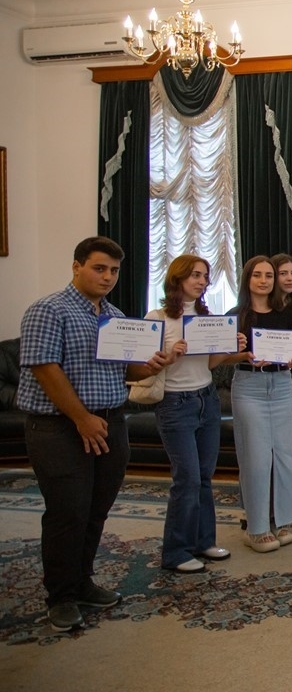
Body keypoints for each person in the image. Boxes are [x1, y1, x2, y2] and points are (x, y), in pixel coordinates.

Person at [18, 236, 169, 631]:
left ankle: (82, 582)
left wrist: (151, 364)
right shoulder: (48, 310)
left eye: (114, 271)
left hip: (110, 422)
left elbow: (125, 369)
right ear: (77, 266)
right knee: (68, 512)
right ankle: (61, 597)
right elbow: (45, 368)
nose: (107, 277)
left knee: (95, 510)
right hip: (59, 427)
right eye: (99, 268)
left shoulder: (114, 316)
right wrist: (82, 418)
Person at [147, 255, 241, 573]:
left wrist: (229, 348)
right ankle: (175, 552)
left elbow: (210, 365)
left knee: (203, 477)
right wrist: (171, 354)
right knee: (186, 478)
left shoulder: (205, 318)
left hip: (206, 399)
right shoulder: (157, 318)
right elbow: (145, 366)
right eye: (195, 275)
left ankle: (203, 541)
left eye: (205, 276)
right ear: (178, 278)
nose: (202, 281)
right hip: (175, 403)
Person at [229, 256, 292, 553]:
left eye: (269, 276)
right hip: (250, 386)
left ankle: (281, 520)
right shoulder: (236, 316)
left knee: (284, 456)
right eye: (257, 275)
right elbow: (220, 358)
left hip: (282, 385)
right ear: (247, 279)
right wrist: (243, 355)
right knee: (256, 459)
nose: (263, 281)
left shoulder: (286, 314)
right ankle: (256, 528)